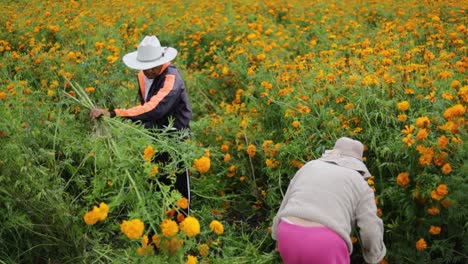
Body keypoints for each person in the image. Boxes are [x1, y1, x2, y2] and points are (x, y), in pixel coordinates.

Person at [90, 35, 192, 214]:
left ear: (162, 61)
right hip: (152, 136)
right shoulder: (142, 76)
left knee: (178, 190)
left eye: (152, 67)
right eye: (145, 67)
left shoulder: (172, 79)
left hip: (175, 139)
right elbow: (144, 104)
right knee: (156, 184)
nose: (148, 71)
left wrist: (114, 113)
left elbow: (153, 109)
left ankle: (182, 231)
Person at [271, 137, 386, 264]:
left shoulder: (309, 166)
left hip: (288, 233)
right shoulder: (360, 183)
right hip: (326, 243)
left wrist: (277, 236)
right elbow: (370, 226)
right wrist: (374, 256)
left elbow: (286, 200)